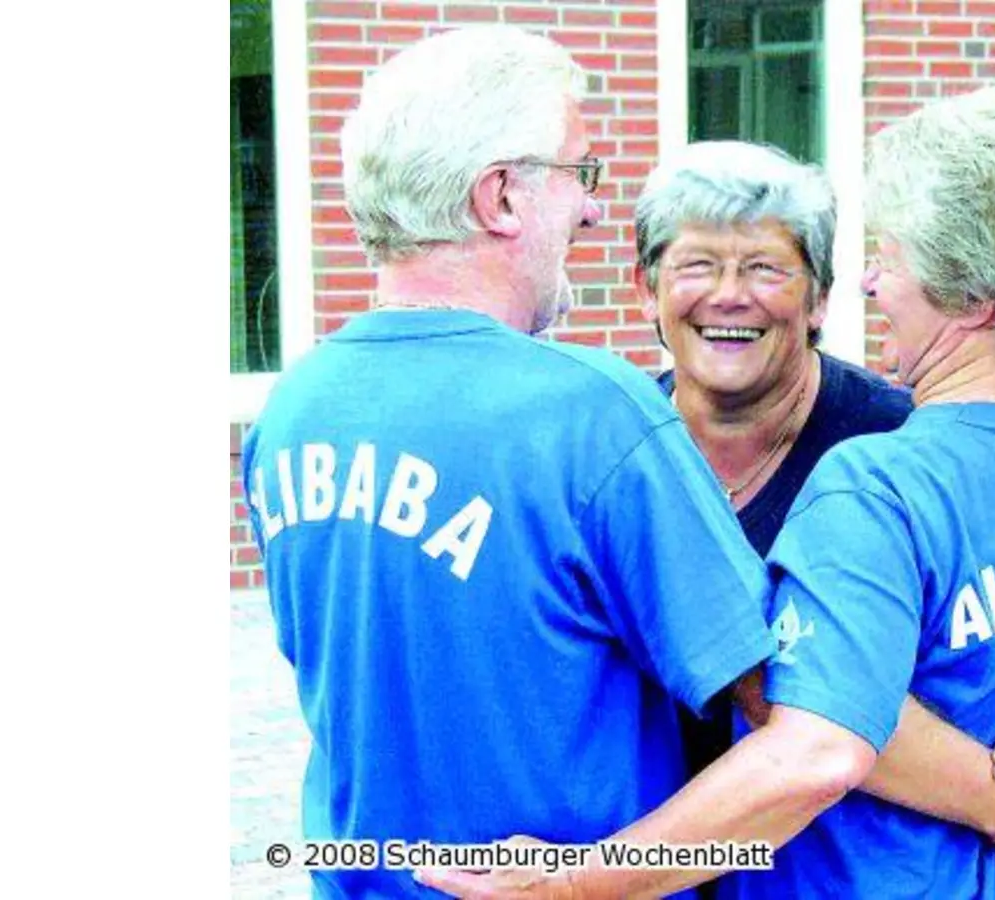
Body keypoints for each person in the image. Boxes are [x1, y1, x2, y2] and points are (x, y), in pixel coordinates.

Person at [243, 27, 876, 900]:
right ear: (501, 195)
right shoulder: (594, 417)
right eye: (580, 174)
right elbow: (805, 736)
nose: (591, 209)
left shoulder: (292, 413)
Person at [633, 140, 995, 894]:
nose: (729, 294)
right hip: (660, 840)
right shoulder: (610, 450)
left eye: (766, 268)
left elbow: (847, 711)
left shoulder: (893, 445)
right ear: (647, 292)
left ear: (818, 300)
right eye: (697, 265)